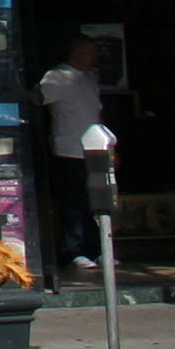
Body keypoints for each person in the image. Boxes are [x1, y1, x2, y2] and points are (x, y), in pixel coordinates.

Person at [36, 35, 107, 279]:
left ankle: (97, 248)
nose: (95, 58)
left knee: (97, 200)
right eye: (91, 52)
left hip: (95, 150)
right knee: (74, 201)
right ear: (78, 53)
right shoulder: (57, 77)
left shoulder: (89, 78)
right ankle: (73, 250)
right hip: (69, 150)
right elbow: (38, 98)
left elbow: (95, 115)